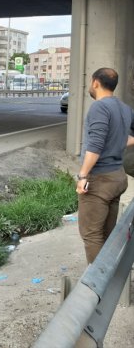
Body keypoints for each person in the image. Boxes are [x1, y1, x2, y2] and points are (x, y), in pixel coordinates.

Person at [76, 67, 134, 264]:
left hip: (99, 179)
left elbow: (95, 145)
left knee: (91, 234)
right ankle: (109, 277)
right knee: (106, 233)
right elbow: (118, 138)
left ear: (95, 82)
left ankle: (97, 285)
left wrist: (83, 176)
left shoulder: (99, 107)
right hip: (117, 177)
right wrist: (116, 143)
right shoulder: (125, 109)